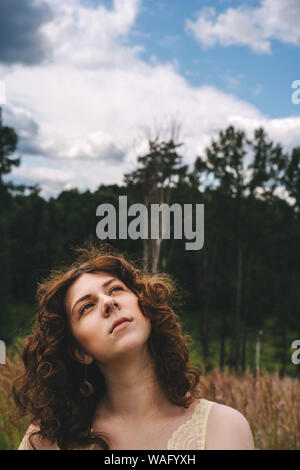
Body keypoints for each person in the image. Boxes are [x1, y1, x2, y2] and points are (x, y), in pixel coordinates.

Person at [14, 246, 255, 450]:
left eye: (115, 289)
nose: (109, 302)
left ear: (145, 308)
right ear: (80, 352)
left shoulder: (224, 428)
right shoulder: (47, 438)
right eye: (86, 307)